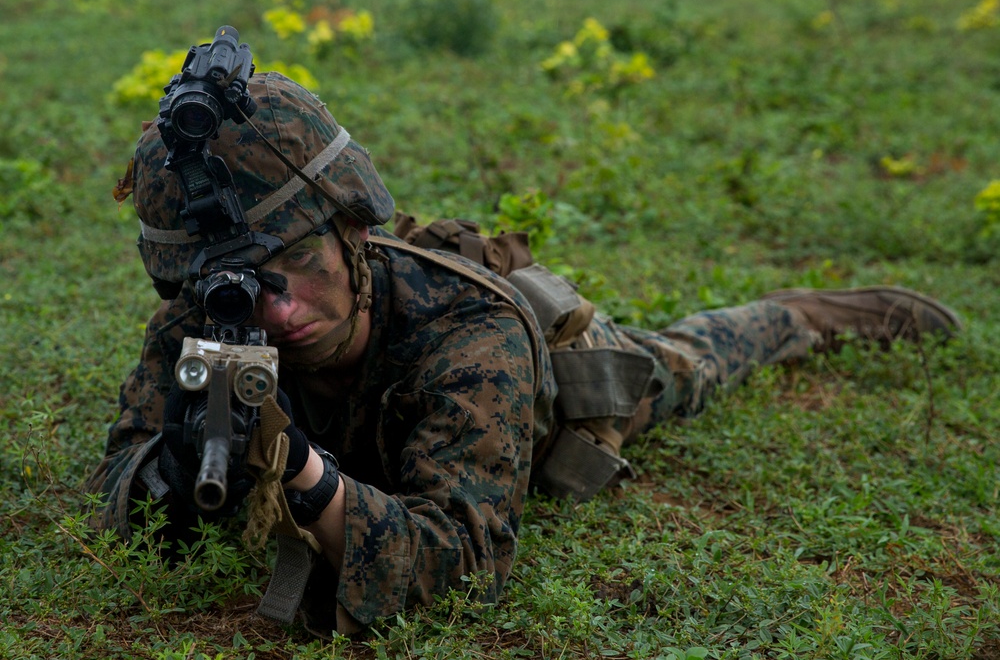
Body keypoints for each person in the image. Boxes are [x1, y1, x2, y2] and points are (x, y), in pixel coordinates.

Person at [84, 71, 962, 635]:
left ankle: (795, 312)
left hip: (556, 381)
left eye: (294, 268)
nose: (272, 311)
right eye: (240, 286)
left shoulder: (469, 337)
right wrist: (176, 464)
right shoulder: (211, 319)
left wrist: (305, 475)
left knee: (680, 365)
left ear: (350, 230)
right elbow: (120, 478)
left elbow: (462, 554)